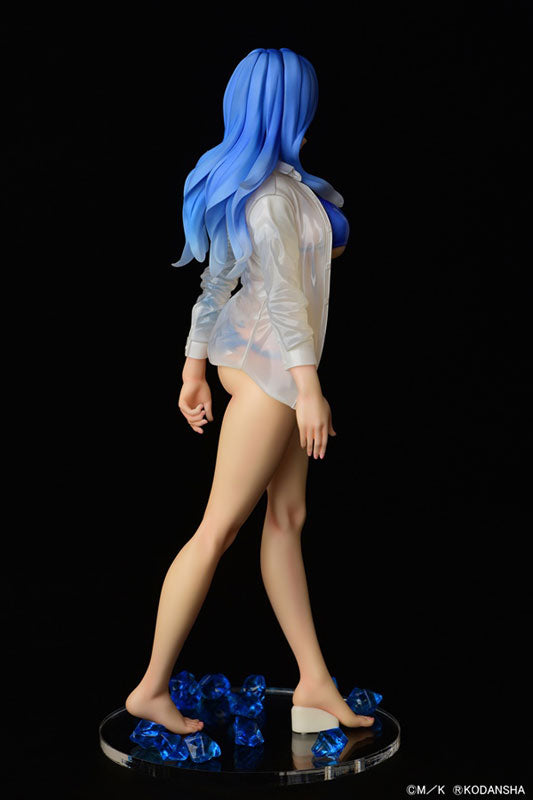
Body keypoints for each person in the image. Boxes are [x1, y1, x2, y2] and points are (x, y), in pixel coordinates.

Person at [125, 47, 374, 735]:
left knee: (287, 518)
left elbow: (217, 284)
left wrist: (193, 369)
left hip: (270, 363)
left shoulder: (281, 187)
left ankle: (313, 683)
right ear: (293, 108)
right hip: (270, 369)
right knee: (218, 530)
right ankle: (149, 688)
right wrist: (307, 387)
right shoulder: (268, 200)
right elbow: (283, 300)